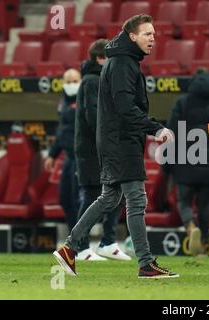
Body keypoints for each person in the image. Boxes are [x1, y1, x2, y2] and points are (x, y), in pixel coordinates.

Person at [53, 14, 178, 278]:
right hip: (121, 141)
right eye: (147, 34)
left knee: (110, 197)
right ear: (132, 36)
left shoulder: (121, 60)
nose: (153, 38)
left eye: (154, 34)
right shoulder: (123, 63)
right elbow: (124, 107)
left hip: (115, 140)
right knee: (136, 199)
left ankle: (70, 247)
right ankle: (145, 263)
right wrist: (155, 127)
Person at [74, 39, 131, 261]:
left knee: (116, 192)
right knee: (91, 195)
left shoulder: (102, 80)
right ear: (100, 58)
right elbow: (93, 118)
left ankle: (107, 242)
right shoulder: (91, 81)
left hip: (104, 147)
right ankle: (79, 246)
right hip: (91, 150)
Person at [166, 69, 209, 256]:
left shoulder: (182, 102)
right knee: (205, 204)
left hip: (185, 160)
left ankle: (190, 226)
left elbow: (171, 132)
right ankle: (204, 243)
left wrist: (168, 161)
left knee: (184, 200)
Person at [45, 68, 81, 233]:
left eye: (75, 81)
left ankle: (81, 239)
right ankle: (74, 236)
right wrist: (52, 154)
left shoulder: (85, 100)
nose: (72, 85)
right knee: (64, 198)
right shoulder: (63, 102)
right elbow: (61, 131)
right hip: (68, 157)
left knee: (78, 199)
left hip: (81, 157)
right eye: (69, 81)